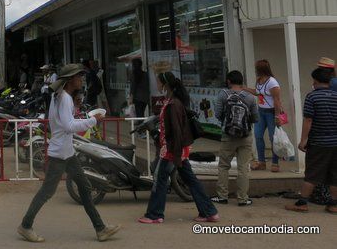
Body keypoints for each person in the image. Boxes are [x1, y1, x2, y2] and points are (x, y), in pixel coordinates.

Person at [18, 64, 120, 243]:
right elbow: (68, 126)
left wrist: (76, 110)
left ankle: (100, 228)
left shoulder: (60, 97)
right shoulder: (63, 98)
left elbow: (63, 122)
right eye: (79, 77)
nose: (81, 80)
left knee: (85, 188)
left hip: (67, 153)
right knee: (47, 192)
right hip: (60, 154)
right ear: (70, 80)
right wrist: (92, 121)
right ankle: (25, 225)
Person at [138, 72, 219, 224]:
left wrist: (174, 154)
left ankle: (154, 214)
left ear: (165, 84)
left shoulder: (173, 104)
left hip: (171, 150)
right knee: (190, 180)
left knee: (160, 180)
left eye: (158, 81)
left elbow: (175, 131)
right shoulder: (173, 102)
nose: (157, 84)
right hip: (177, 149)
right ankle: (209, 212)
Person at [285, 67, 337, 213]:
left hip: (318, 142)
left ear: (315, 80)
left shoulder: (312, 97)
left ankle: (302, 203)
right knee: (334, 175)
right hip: (335, 143)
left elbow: (308, 120)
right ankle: (334, 204)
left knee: (312, 174)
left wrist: (303, 140)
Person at [211, 70, 259, 206]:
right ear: (242, 82)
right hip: (245, 136)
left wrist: (228, 123)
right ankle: (243, 198)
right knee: (243, 167)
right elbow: (255, 118)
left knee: (223, 166)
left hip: (228, 135)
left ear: (229, 81)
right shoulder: (250, 97)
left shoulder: (223, 94)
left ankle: (222, 196)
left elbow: (218, 114)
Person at [245, 60, 283, 172]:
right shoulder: (259, 80)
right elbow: (257, 92)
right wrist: (245, 88)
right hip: (261, 111)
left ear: (261, 69)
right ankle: (261, 162)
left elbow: (277, 100)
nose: (255, 70)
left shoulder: (272, 82)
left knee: (273, 138)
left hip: (271, 112)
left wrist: (277, 116)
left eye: (256, 68)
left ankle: (275, 163)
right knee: (258, 135)